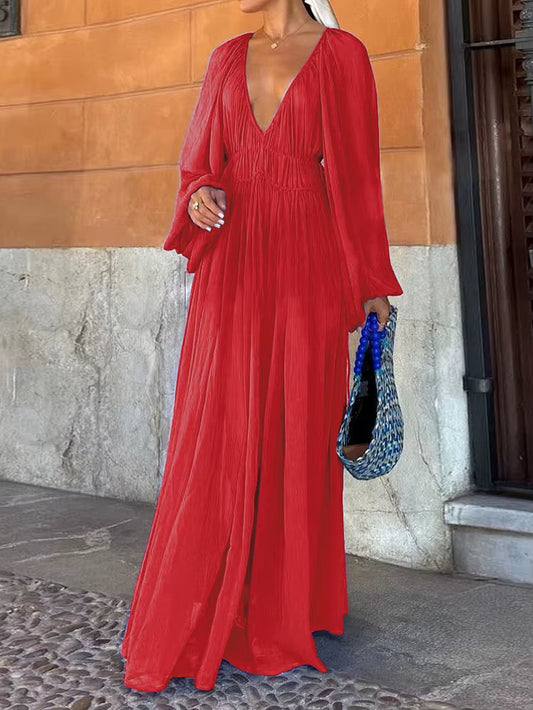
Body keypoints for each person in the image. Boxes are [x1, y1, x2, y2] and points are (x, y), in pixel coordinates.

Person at [119, 0, 403, 693]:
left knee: (296, 430)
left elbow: (356, 176)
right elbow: (198, 165)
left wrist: (371, 282)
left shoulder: (342, 55)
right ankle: (206, 601)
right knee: (216, 429)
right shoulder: (224, 59)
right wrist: (199, 196)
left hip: (306, 259)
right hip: (233, 261)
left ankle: (284, 607)